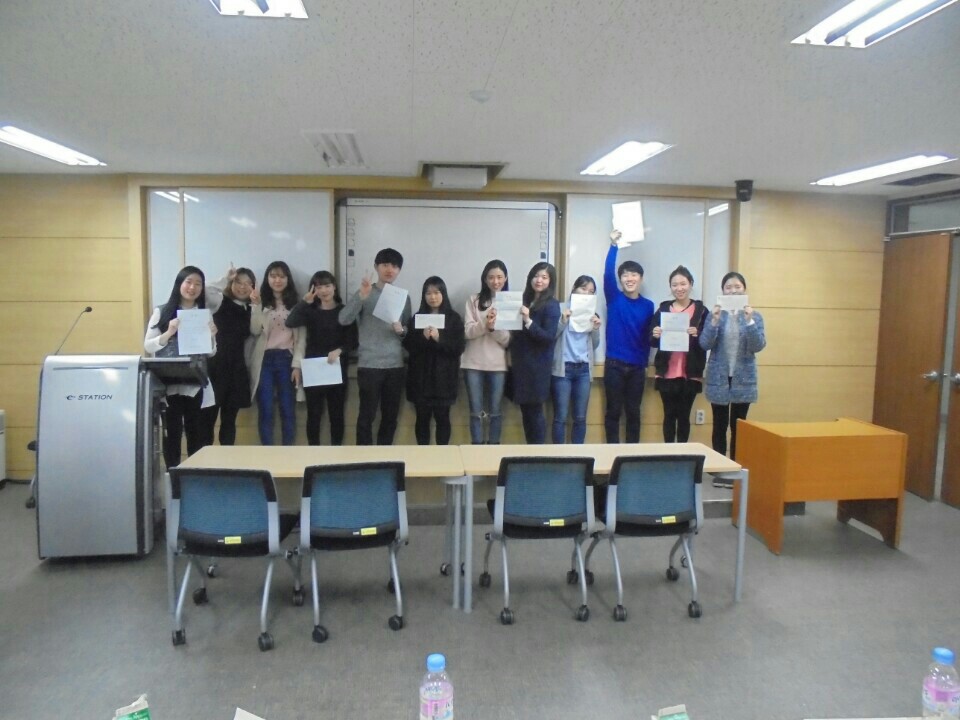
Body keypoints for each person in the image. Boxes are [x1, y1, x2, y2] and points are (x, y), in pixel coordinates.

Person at [144, 265, 217, 469]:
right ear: (179, 284)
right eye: (188, 282)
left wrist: (212, 337)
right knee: (172, 435)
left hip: (194, 382)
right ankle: (172, 477)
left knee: (196, 434)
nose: (192, 287)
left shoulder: (203, 314)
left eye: (198, 284)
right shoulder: (162, 311)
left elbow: (211, 352)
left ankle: (193, 477)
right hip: (169, 383)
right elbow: (148, 346)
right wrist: (169, 333)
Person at [339, 247, 412, 445]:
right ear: (376, 267)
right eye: (385, 265)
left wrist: (402, 331)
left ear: (399, 270)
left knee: (390, 417)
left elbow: (407, 331)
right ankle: (364, 458)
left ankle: (384, 456)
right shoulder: (365, 292)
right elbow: (343, 319)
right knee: (366, 416)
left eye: (395, 266)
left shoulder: (403, 297)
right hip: (369, 364)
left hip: (395, 365)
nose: (390, 269)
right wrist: (360, 298)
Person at [699, 271, 766, 474]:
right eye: (728, 287)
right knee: (719, 425)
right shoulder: (715, 315)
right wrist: (713, 323)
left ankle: (736, 469)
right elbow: (704, 344)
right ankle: (719, 469)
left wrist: (750, 322)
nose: (733, 291)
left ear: (744, 289)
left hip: (743, 379)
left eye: (737, 287)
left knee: (739, 427)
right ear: (722, 291)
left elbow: (758, 345)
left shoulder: (754, 316)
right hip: (719, 377)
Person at [285, 270, 358, 446]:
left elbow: (353, 341)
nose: (323, 290)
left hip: (336, 369)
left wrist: (340, 350)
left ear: (334, 287)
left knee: (336, 415)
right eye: (318, 287)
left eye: (327, 286)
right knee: (314, 415)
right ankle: (314, 453)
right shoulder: (310, 311)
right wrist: (304, 302)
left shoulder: (344, 311)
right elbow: (290, 322)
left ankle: (336, 452)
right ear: (313, 290)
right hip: (314, 369)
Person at [603, 230, 655, 443]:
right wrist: (613, 245)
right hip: (614, 365)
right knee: (613, 412)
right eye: (625, 275)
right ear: (620, 279)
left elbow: (648, 338)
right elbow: (607, 273)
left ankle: (632, 456)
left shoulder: (648, 306)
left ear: (640, 279)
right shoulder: (614, 298)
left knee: (634, 413)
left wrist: (645, 361)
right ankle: (611, 454)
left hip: (637, 368)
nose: (629, 278)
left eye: (633, 275)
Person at [404, 276, 466, 445]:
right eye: (428, 293)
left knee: (443, 419)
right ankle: (423, 456)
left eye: (437, 292)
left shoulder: (453, 318)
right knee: (422, 419)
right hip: (420, 380)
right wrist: (422, 338)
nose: (432, 297)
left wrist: (440, 338)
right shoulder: (417, 318)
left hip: (444, 380)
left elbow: (459, 348)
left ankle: (442, 456)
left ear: (443, 294)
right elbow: (409, 346)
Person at [249, 260, 305, 446]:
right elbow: (255, 330)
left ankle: (287, 453)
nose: (277, 280)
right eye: (273, 276)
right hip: (264, 360)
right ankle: (267, 454)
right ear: (267, 279)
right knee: (265, 409)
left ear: (288, 279)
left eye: (281, 276)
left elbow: (301, 339)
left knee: (287, 409)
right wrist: (256, 306)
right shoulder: (261, 301)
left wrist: (297, 366)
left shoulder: (296, 304)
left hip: (286, 359)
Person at [650, 266, 708, 443]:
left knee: (684, 416)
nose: (679, 288)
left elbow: (708, 340)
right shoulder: (663, 309)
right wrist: (655, 334)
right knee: (668, 415)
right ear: (670, 287)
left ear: (691, 284)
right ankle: (668, 453)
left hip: (690, 372)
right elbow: (651, 341)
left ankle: (683, 454)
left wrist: (698, 334)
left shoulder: (701, 310)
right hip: (667, 371)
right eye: (674, 285)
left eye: (683, 284)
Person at [510, 262, 561, 444]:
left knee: (536, 411)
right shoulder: (523, 301)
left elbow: (548, 337)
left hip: (538, 366)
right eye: (536, 276)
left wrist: (528, 320)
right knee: (525, 410)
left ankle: (538, 451)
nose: (539, 280)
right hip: (521, 364)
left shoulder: (552, 305)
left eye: (544, 277)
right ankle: (529, 449)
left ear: (550, 281)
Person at [461, 260, 511, 444]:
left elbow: (508, 340)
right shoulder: (473, 300)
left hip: (498, 365)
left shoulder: (510, 302)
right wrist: (485, 324)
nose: (495, 281)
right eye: (491, 277)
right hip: (473, 363)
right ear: (484, 279)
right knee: (476, 412)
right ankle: (476, 449)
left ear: (505, 278)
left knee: (495, 412)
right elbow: (467, 332)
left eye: (499, 277)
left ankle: (493, 449)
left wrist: (493, 328)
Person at [551, 275, 602, 444]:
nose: (586, 293)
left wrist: (595, 329)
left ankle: (578, 455)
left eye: (591, 291)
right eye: (583, 288)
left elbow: (594, 345)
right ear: (574, 288)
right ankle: (558, 456)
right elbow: (550, 337)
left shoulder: (592, 314)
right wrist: (562, 321)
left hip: (583, 370)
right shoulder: (560, 309)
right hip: (563, 369)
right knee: (560, 417)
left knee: (580, 417)